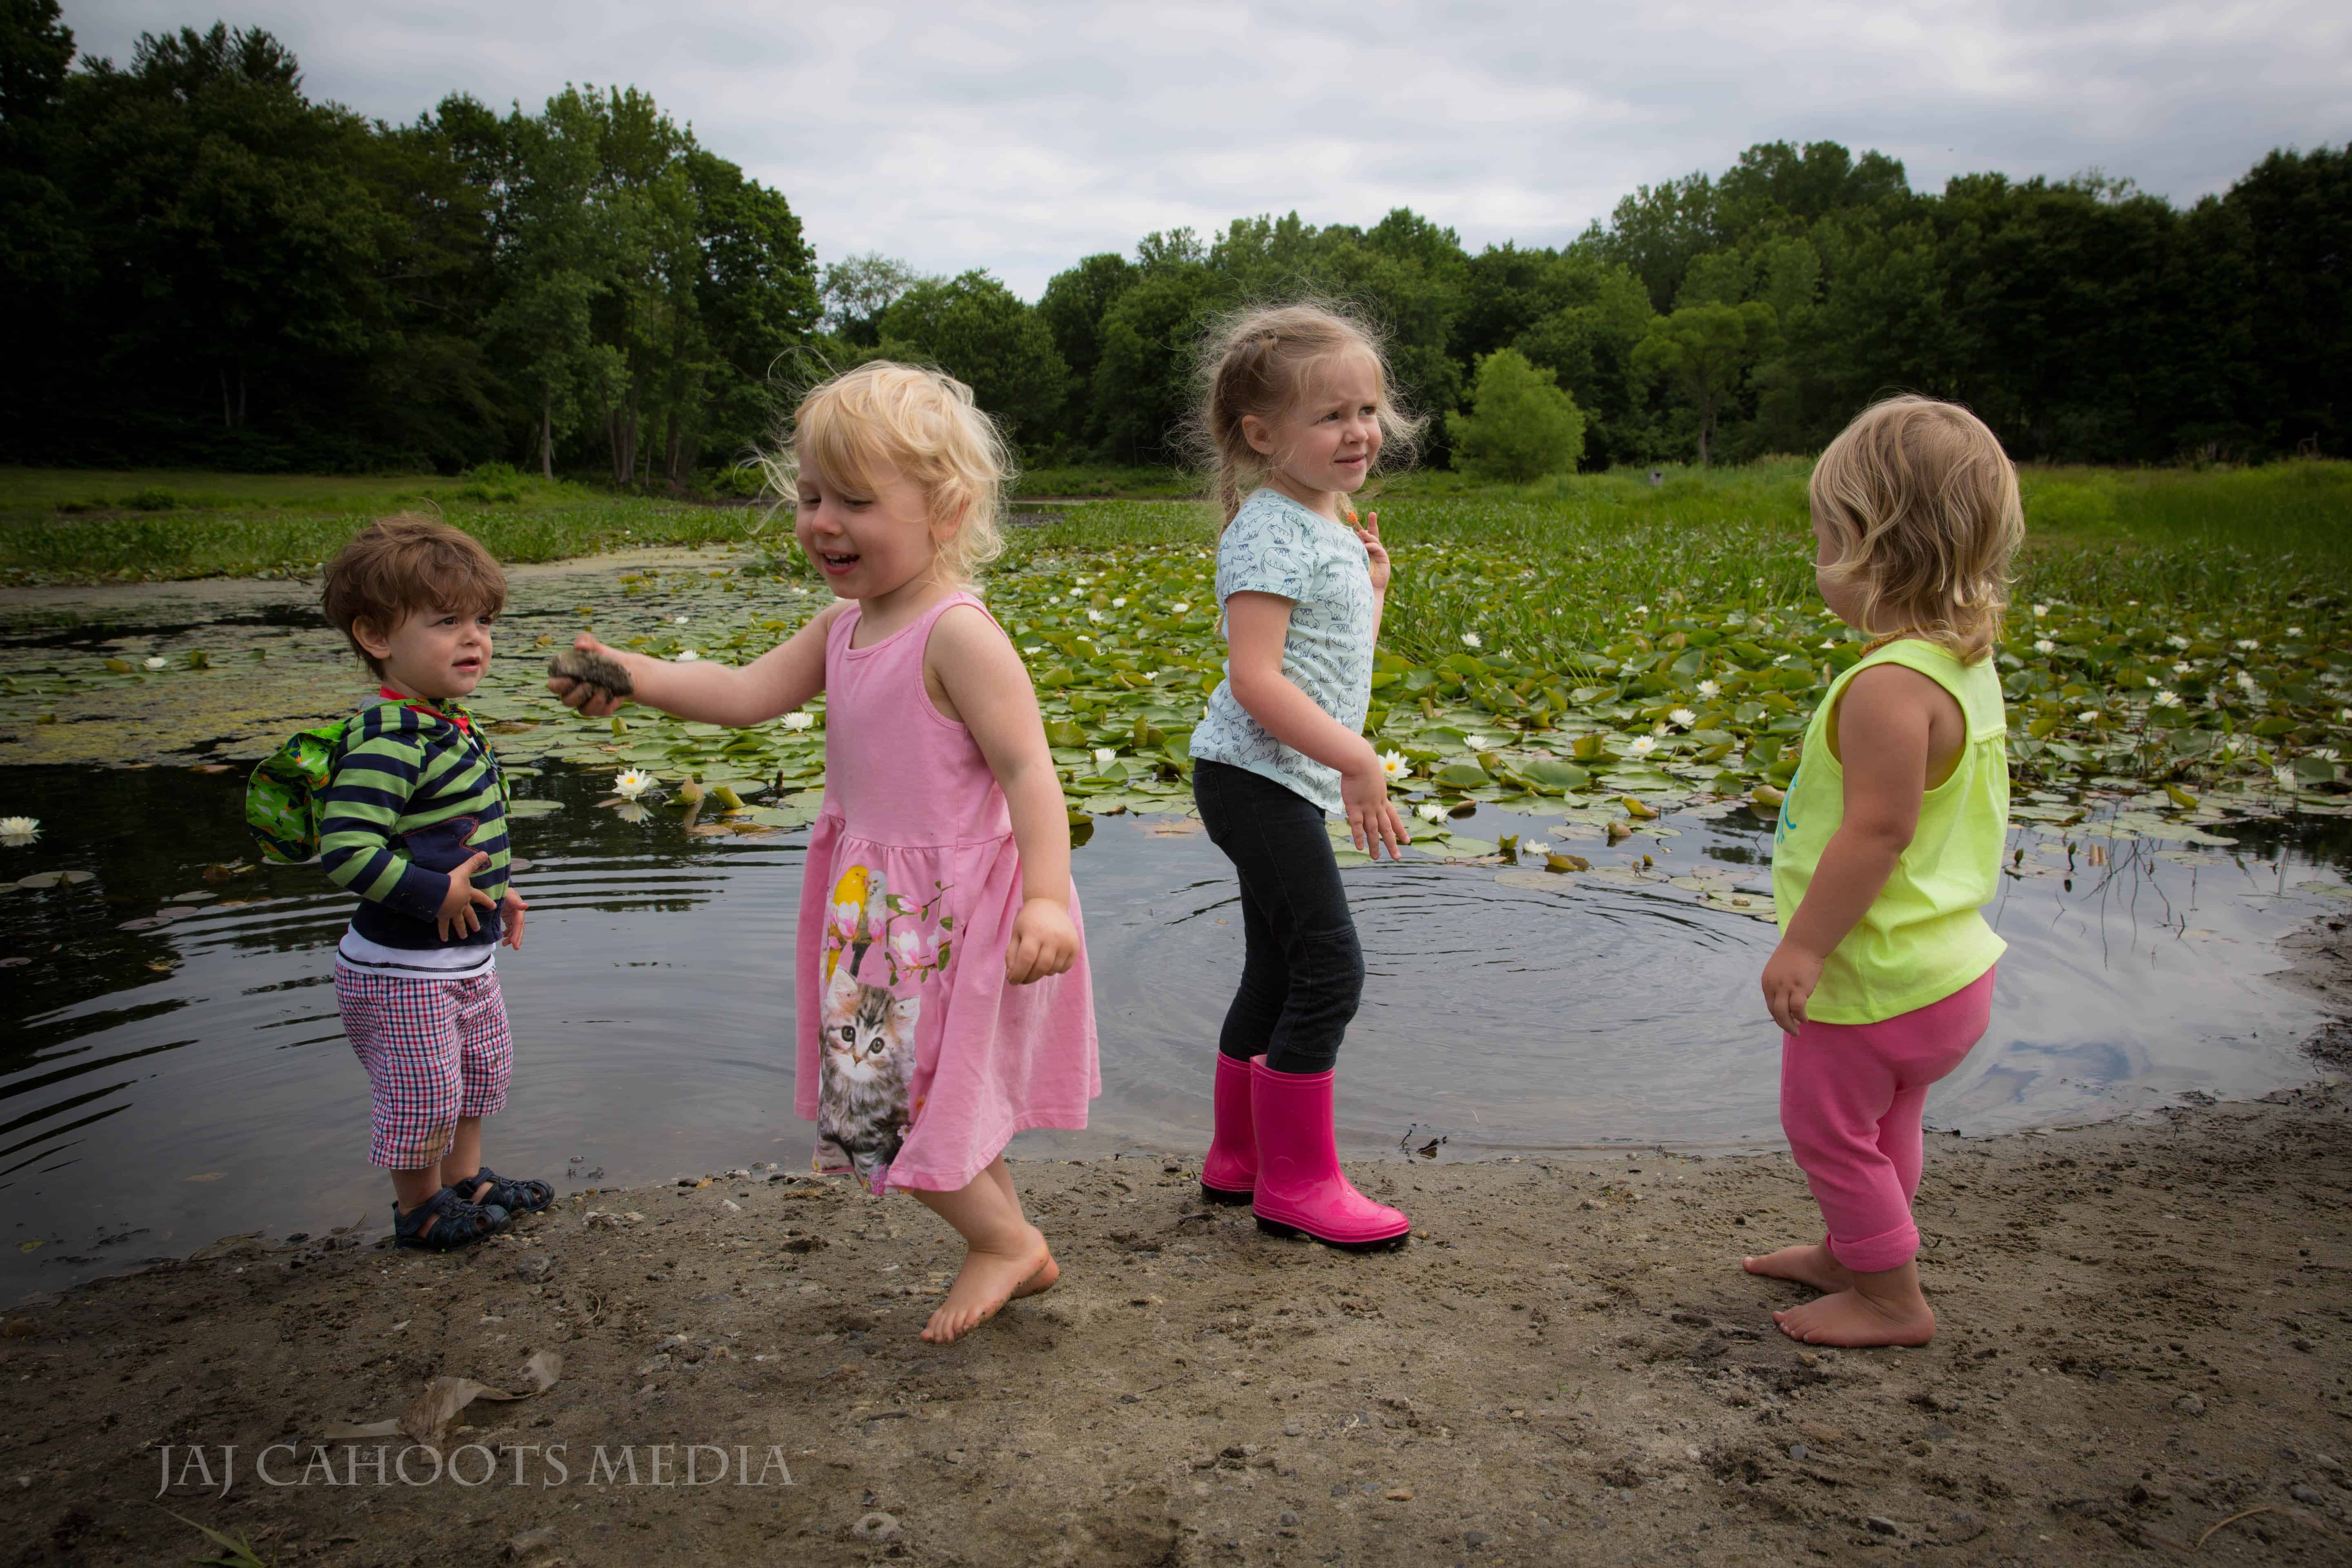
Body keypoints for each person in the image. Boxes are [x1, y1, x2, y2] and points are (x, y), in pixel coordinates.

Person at [549, 362, 1097, 1344]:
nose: (822, 521)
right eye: (808, 497)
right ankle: (1016, 1241)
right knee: (913, 1092)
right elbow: (742, 692)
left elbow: (1030, 773)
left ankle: (1004, 1246)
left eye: (854, 500)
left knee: (879, 1105)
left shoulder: (957, 633)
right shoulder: (844, 626)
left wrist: (1048, 900)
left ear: (946, 509)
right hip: (869, 907)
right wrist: (632, 675)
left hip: (946, 915)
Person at [1746, 396, 2024, 1346]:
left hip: (1872, 980)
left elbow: (1876, 833)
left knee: (1827, 1133)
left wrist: (1803, 948)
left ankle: (1891, 1299)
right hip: (1949, 974)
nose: (1818, 561)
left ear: (1874, 545)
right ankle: (1854, 1250)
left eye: (1825, 538)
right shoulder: (1962, 664)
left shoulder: (1886, 687)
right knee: (1884, 1127)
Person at [1185, 303, 1421, 1251]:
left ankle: (1238, 1161)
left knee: (1279, 965)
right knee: (1331, 969)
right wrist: (1357, 761)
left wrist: (1370, 592)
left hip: (1271, 779)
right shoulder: (1271, 530)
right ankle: (1298, 1183)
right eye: (1330, 416)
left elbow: (1332, 663)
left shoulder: (1321, 524)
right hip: (1255, 779)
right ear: (1262, 435)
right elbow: (1256, 678)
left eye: (1367, 409)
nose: (1359, 431)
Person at [318, 515, 552, 1251]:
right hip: (400, 968)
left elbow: (449, 835)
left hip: (461, 953)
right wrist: (436, 894)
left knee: (481, 1073)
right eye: (447, 621)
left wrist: (493, 889)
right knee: (424, 1092)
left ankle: (465, 1183)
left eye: (483, 620)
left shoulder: (445, 723)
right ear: (377, 637)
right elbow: (347, 850)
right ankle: (419, 1209)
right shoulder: (390, 739)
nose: (475, 637)